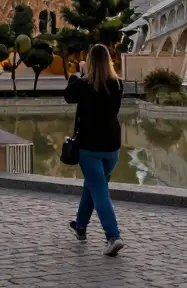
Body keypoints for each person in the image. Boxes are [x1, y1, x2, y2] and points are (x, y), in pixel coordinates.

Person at [64, 43, 125, 257]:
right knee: (93, 185)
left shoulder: (84, 84)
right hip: (112, 147)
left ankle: (113, 236)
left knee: (99, 191)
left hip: (90, 147)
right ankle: (80, 226)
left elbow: (68, 96)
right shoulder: (117, 84)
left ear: (89, 61)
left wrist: (77, 75)